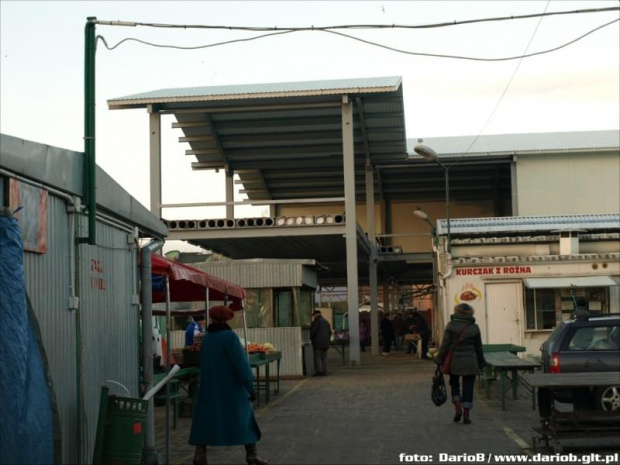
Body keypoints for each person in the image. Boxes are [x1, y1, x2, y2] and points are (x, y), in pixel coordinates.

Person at [189, 306, 267, 465]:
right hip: (232, 389)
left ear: (212, 319)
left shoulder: (207, 339)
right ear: (227, 320)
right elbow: (241, 365)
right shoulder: (230, 337)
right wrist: (250, 387)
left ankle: (200, 455)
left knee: (205, 420)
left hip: (210, 388)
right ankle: (252, 454)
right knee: (246, 418)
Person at [435, 303, 485, 425]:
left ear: (456, 312)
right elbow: (478, 348)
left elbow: (445, 345)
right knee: (468, 386)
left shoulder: (451, 325)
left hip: (455, 361)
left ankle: (457, 407)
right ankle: (466, 414)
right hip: (471, 361)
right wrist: (481, 363)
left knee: (455, 384)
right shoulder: (475, 327)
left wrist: (439, 359)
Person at [310, 310, 332, 376]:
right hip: (326, 343)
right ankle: (325, 371)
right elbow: (330, 332)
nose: (313, 317)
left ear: (316, 314)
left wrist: (312, 339)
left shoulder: (316, 322)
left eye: (314, 315)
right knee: (324, 357)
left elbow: (313, 332)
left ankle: (319, 371)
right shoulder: (326, 321)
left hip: (318, 343)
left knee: (317, 357)